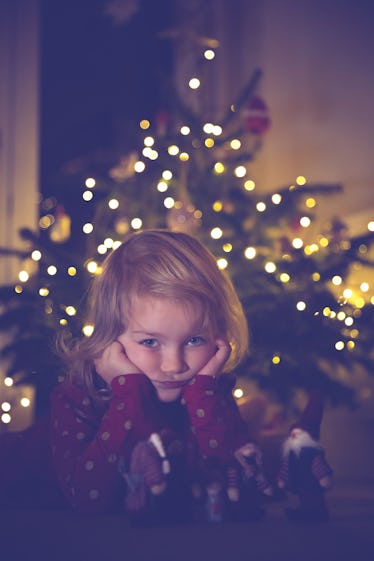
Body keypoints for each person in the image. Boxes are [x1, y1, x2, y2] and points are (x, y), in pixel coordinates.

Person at [49, 229, 269, 520]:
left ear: (217, 335)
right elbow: (89, 499)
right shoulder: (78, 396)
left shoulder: (206, 390)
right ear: (110, 338)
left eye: (194, 340)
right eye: (150, 342)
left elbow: (237, 489)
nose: (173, 366)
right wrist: (129, 391)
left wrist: (203, 394)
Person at [277, 390, 333, 522]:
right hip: (300, 483)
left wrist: (323, 478)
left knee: (313, 498)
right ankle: (305, 511)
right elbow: (285, 467)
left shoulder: (311, 454)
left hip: (311, 483)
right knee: (304, 498)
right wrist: (282, 479)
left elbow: (318, 466)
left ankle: (316, 513)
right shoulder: (291, 453)